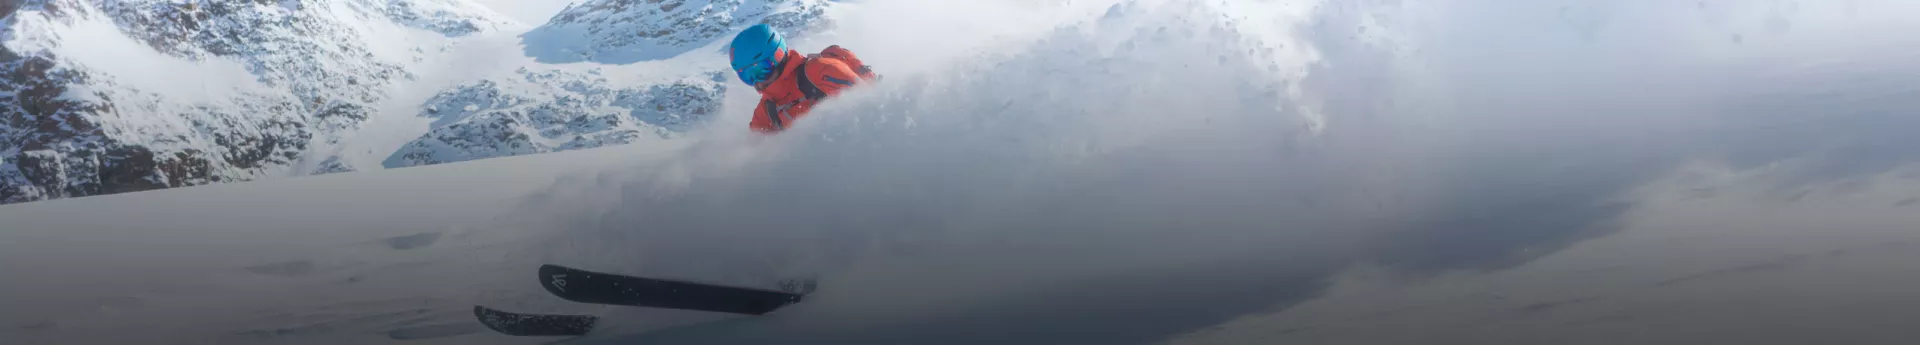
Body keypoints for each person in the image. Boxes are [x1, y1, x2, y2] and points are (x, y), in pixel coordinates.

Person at [727, 24, 879, 133]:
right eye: (746, 76)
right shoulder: (767, 110)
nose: (757, 82)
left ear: (778, 56)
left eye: (760, 70)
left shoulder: (821, 71)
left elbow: (869, 109)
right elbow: (754, 152)